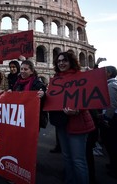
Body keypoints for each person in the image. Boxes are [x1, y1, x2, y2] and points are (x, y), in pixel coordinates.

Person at [48, 52, 95, 184]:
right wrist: (44, 95)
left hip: (78, 122)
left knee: (78, 160)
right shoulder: (55, 79)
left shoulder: (80, 77)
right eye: (59, 61)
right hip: (62, 123)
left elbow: (89, 98)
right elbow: (53, 100)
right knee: (67, 157)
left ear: (71, 62)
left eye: (65, 61)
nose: (61, 63)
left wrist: (78, 109)